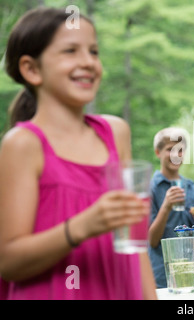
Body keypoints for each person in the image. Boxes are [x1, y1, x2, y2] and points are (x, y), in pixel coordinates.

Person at [0, 7, 157, 299]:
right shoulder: (22, 144)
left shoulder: (116, 133)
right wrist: (82, 226)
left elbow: (135, 246)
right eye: (70, 51)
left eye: (94, 51)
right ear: (32, 69)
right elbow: (8, 261)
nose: (88, 62)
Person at [148, 127, 194, 288]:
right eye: (169, 149)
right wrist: (166, 207)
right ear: (158, 152)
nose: (176, 154)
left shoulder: (192, 188)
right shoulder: (150, 188)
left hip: (191, 274)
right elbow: (151, 240)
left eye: (180, 150)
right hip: (162, 275)